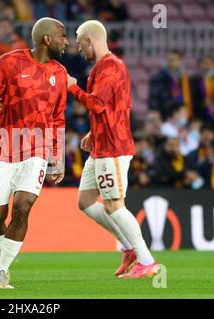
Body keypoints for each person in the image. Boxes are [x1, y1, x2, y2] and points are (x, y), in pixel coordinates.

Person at [0, 17, 68, 289]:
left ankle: (1, 271)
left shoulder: (59, 74)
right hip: (3, 148)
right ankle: (3, 256)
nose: (66, 41)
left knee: (23, 208)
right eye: (62, 36)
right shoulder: (10, 62)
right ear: (47, 39)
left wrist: (57, 156)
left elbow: (58, 119)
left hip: (36, 151)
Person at [67, 20, 158, 278]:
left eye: (80, 43)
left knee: (114, 204)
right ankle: (129, 246)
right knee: (85, 202)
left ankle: (147, 260)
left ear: (91, 40)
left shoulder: (111, 67)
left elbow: (96, 104)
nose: (79, 49)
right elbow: (111, 107)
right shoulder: (102, 68)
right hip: (101, 144)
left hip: (114, 147)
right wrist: (92, 132)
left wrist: (72, 87)